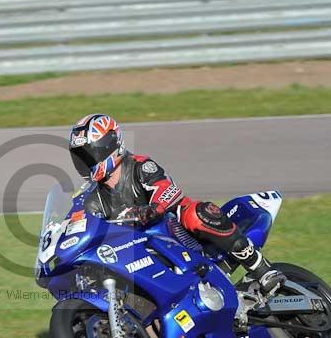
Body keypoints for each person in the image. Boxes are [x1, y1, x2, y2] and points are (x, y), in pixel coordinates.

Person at [68, 114, 286, 299]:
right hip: (133, 254)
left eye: (88, 154)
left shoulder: (140, 166)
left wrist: (152, 209)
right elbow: (76, 220)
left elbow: (166, 189)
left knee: (195, 213)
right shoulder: (92, 196)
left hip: (174, 237)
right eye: (79, 157)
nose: (84, 162)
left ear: (109, 145)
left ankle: (261, 268)